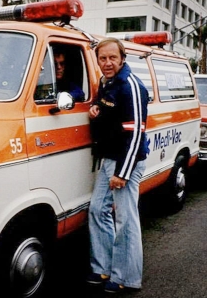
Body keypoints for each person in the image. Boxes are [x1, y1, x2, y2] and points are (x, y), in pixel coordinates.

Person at [87, 38, 149, 294]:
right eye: (103, 58)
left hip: (126, 162)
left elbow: (135, 134)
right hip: (109, 159)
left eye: (113, 57)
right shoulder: (106, 84)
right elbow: (108, 114)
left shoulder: (131, 86)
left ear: (122, 58)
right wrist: (95, 110)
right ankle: (103, 267)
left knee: (125, 220)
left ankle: (126, 277)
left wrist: (122, 173)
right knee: (97, 210)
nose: (108, 63)